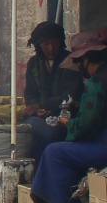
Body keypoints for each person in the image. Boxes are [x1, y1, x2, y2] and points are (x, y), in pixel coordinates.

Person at [28, 30, 107, 203]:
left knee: (55, 152)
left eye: (79, 61)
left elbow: (85, 125)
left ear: (87, 59)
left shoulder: (97, 83)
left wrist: (68, 124)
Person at [21, 21, 83, 154]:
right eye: (46, 44)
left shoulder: (71, 62)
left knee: (50, 134)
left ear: (60, 42)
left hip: (66, 116)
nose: (51, 48)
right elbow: (30, 93)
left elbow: (70, 95)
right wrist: (36, 108)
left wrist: (44, 105)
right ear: (38, 45)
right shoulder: (34, 63)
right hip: (39, 116)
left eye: (54, 43)